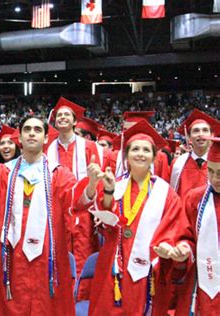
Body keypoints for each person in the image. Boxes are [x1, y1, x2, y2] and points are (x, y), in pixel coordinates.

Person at [0, 115, 100, 315]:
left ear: (46, 138)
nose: (32, 133)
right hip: (11, 257)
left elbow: (74, 199)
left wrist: (90, 185)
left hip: (47, 256)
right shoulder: (4, 172)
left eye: (38, 130)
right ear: (19, 137)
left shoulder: (58, 174)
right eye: (27, 129)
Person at [88, 120, 182, 315]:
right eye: (135, 149)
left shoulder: (166, 193)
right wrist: (108, 190)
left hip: (149, 265)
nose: (140, 154)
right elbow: (105, 222)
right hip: (114, 261)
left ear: (154, 157)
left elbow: (173, 226)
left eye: (146, 150)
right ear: (127, 155)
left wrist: (166, 244)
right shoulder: (115, 183)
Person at [46, 97, 106, 275]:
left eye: (67, 115)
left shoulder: (89, 147)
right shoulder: (47, 148)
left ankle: (82, 298)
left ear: (74, 121)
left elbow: (98, 179)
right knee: (58, 254)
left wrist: (99, 210)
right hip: (56, 210)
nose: (62, 117)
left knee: (83, 253)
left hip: (84, 212)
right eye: (59, 115)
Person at [171, 136, 220, 315]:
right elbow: (187, 236)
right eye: (211, 171)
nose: (215, 179)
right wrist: (184, 248)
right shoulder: (195, 198)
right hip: (205, 279)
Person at [170, 109, 219, 198]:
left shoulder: (217, 164)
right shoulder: (177, 164)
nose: (201, 134)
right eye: (196, 131)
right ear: (188, 137)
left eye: (205, 130)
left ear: (212, 135)